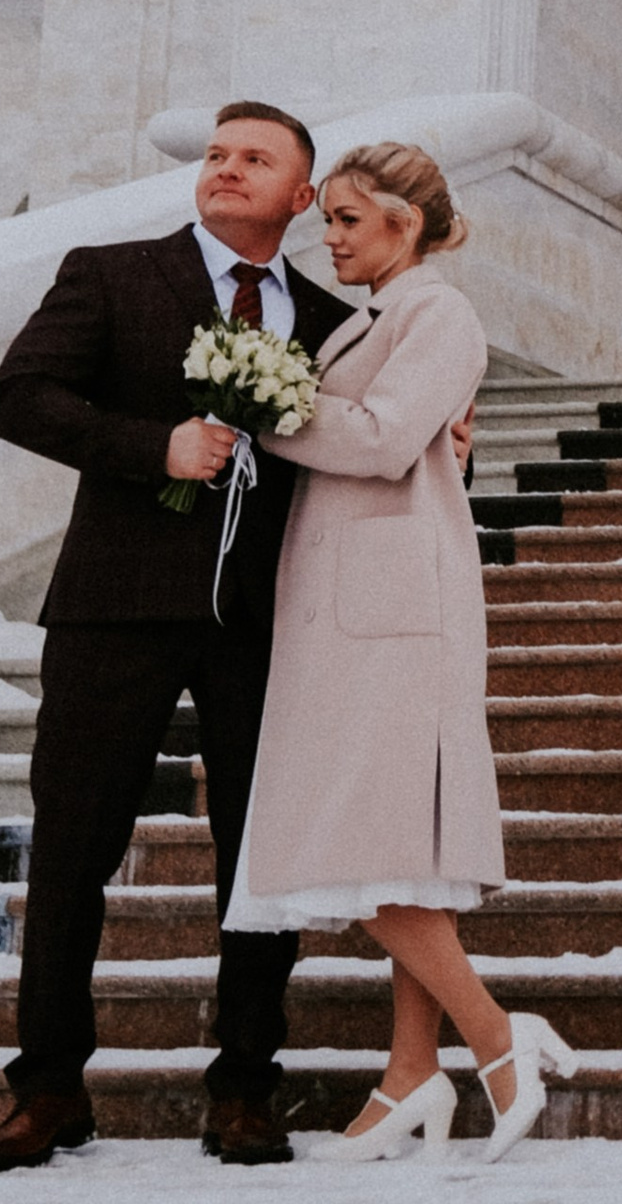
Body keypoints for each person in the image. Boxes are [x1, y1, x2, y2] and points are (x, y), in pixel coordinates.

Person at [0, 100, 355, 1172]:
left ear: (301, 197)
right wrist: (154, 448)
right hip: (113, 607)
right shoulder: (109, 272)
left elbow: (368, 453)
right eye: (218, 154)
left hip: (263, 623)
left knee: (258, 861)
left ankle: (243, 1087)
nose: (227, 169)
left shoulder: (330, 322)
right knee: (74, 849)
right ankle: (47, 1089)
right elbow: (19, 398)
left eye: (256, 159)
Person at [224, 140, 578, 1160]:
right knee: (397, 852)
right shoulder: (382, 313)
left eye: (343, 218)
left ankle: (498, 1039)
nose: (326, 237)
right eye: (324, 218)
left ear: (403, 222)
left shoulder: (437, 311)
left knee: (364, 844)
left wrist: (265, 406)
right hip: (354, 604)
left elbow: (381, 441)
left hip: (393, 615)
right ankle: (409, 1078)